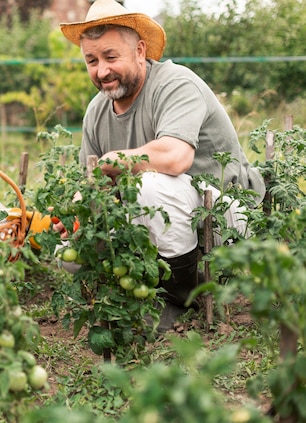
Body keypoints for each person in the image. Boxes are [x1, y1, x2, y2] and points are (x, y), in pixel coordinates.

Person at [58, 0, 266, 332]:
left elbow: (174, 158)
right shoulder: (96, 112)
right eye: (91, 61)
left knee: (150, 185)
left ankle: (179, 298)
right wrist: (77, 214)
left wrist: (117, 161)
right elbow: (93, 186)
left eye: (111, 57)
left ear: (140, 51)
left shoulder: (175, 84)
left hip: (224, 216)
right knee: (69, 251)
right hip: (163, 218)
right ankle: (150, 285)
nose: (101, 71)